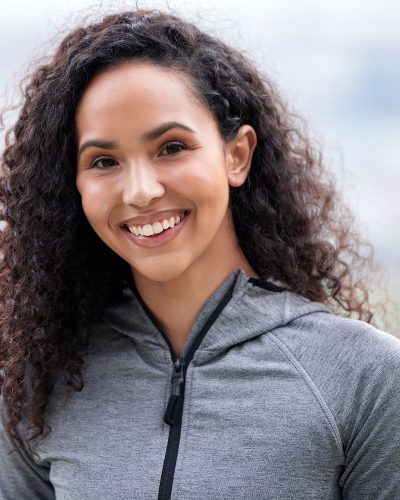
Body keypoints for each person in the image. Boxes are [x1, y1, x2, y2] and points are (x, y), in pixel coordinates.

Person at [0, 8, 399, 500]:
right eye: (103, 161)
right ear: (74, 185)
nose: (141, 191)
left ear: (237, 155)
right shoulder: (38, 385)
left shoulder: (365, 378)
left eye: (171, 147)